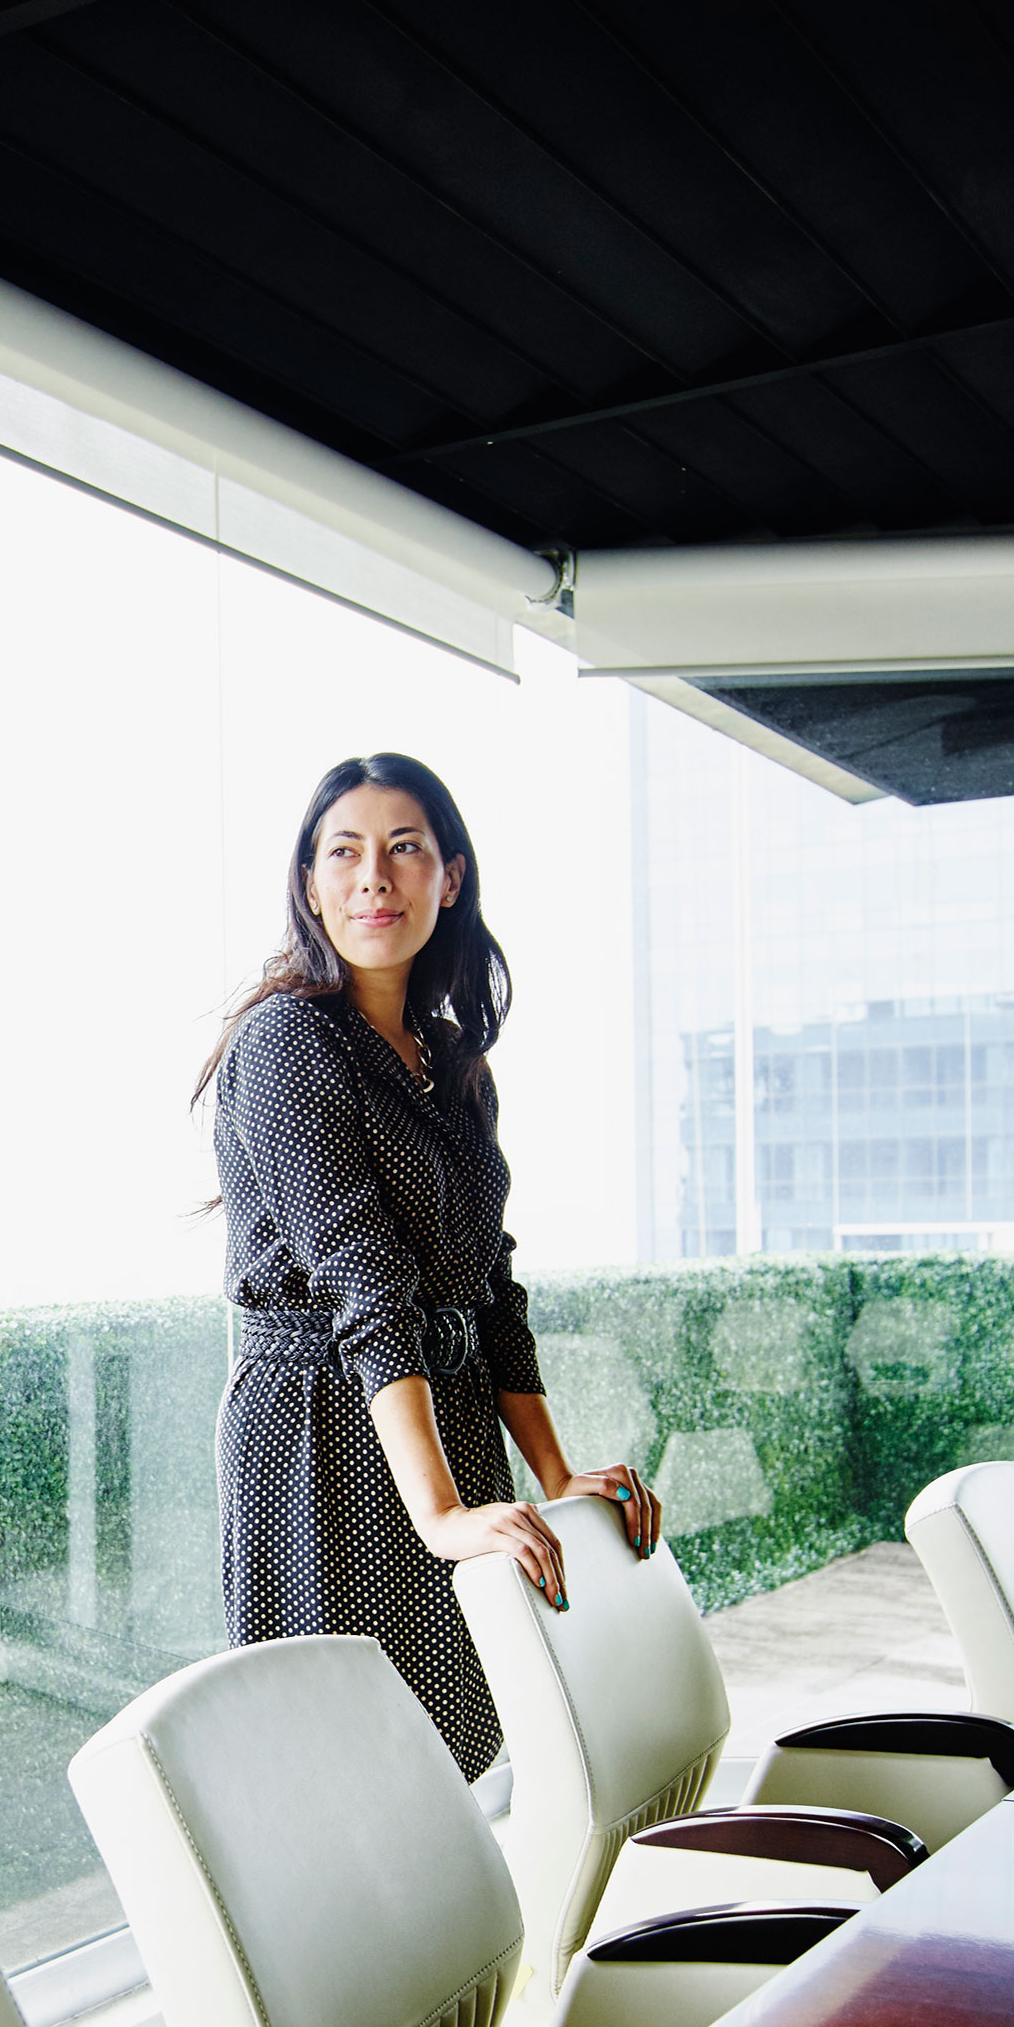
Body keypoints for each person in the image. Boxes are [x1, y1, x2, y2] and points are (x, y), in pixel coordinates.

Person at [197, 751, 658, 1781]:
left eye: (405, 849)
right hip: (321, 1422)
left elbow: (489, 1282)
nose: (375, 877)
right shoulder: (286, 1041)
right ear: (310, 885)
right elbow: (363, 1281)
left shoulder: (451, 1061)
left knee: (450, 1734)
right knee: (346, 1754)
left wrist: (555, 1472)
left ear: (449, 876)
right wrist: (439, 1512)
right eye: (345, 853)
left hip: (441, 1415)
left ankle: (444, 1942)